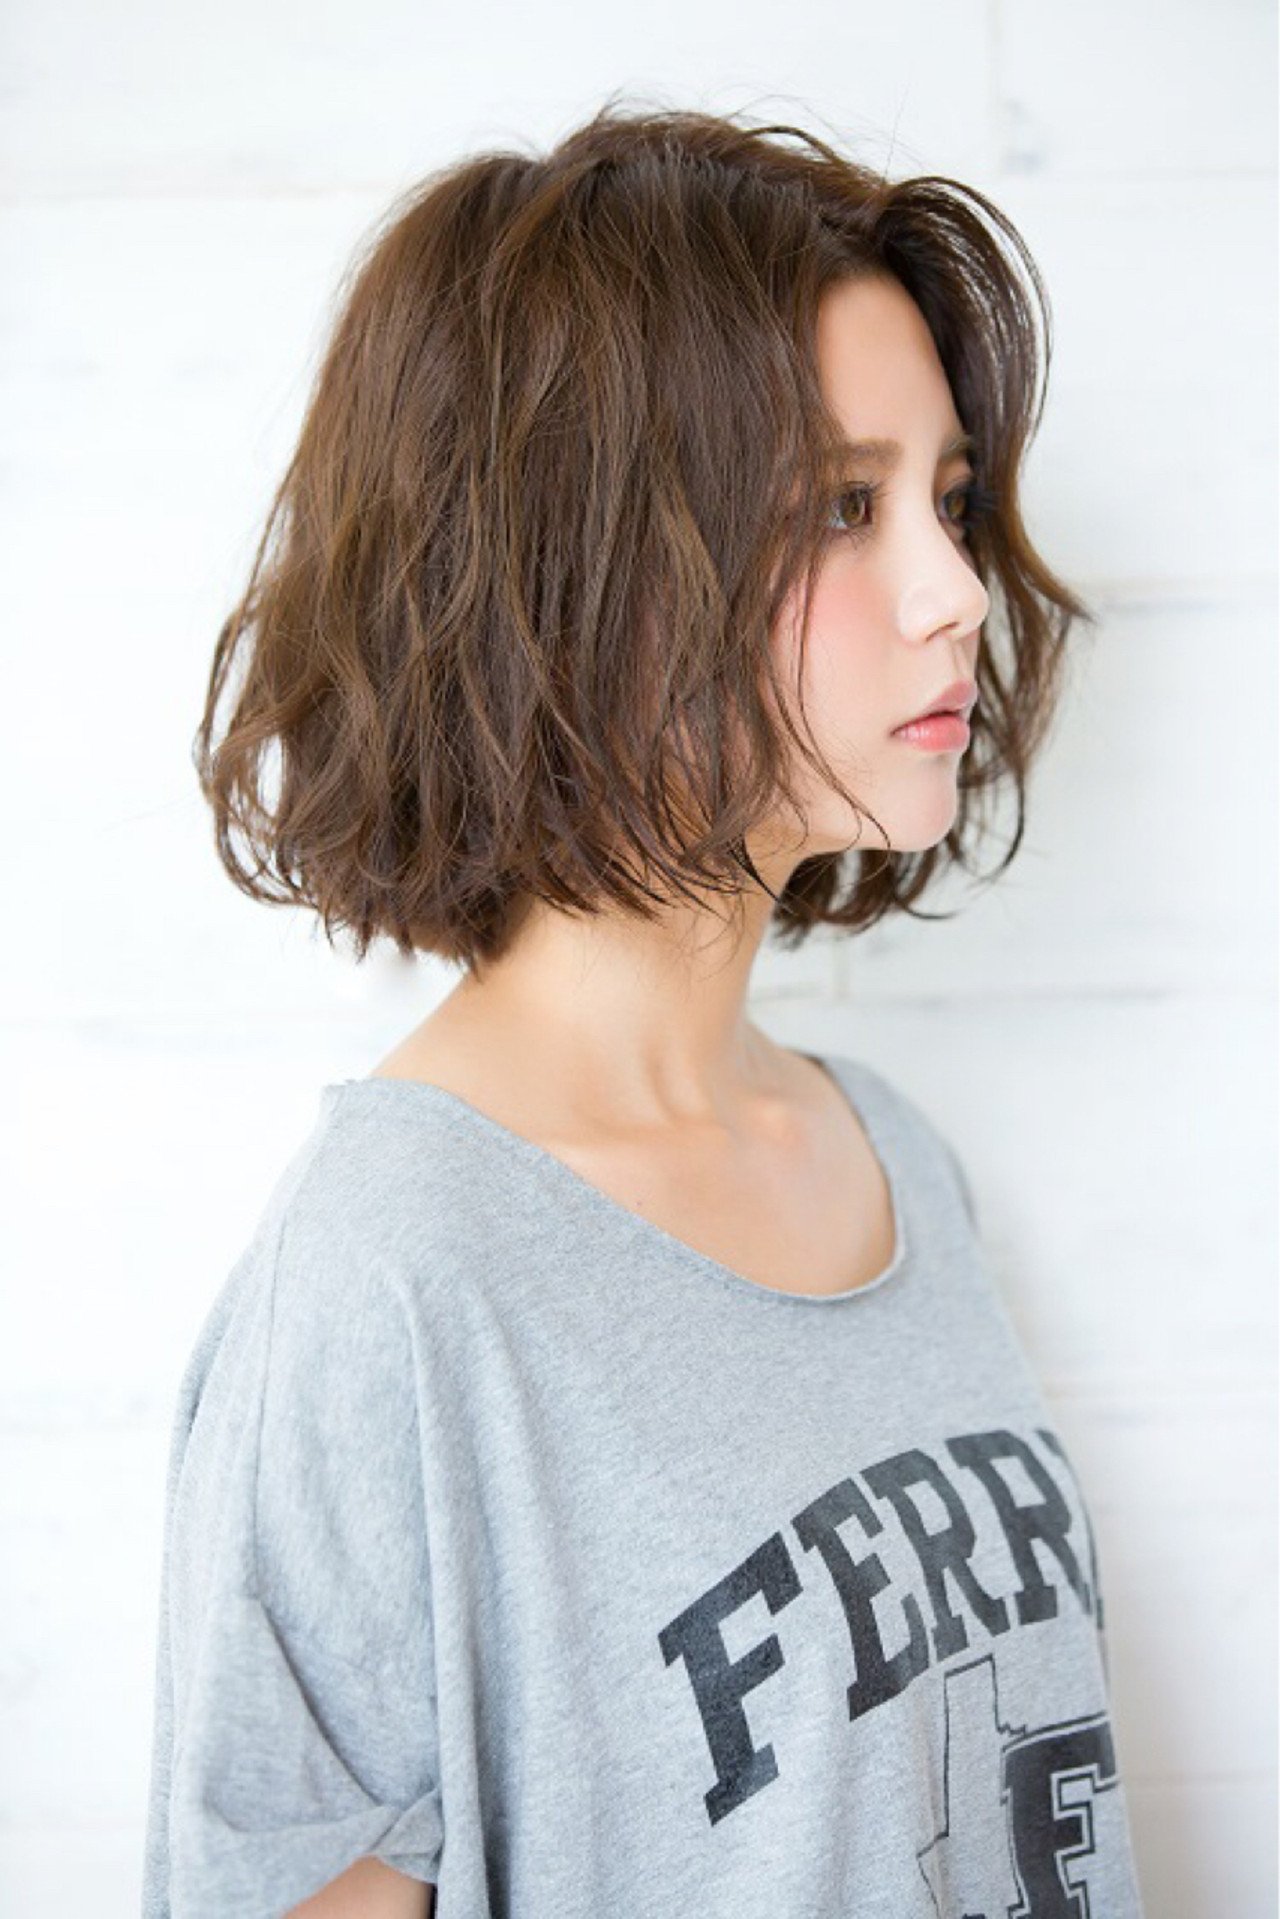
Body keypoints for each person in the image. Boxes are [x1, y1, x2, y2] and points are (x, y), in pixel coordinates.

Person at [141, 97, 1147, 1918]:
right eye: (840, 507)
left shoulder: (896, 1162)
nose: (953, 593)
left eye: (945, 500)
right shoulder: (390, 1284)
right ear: (579, 572)